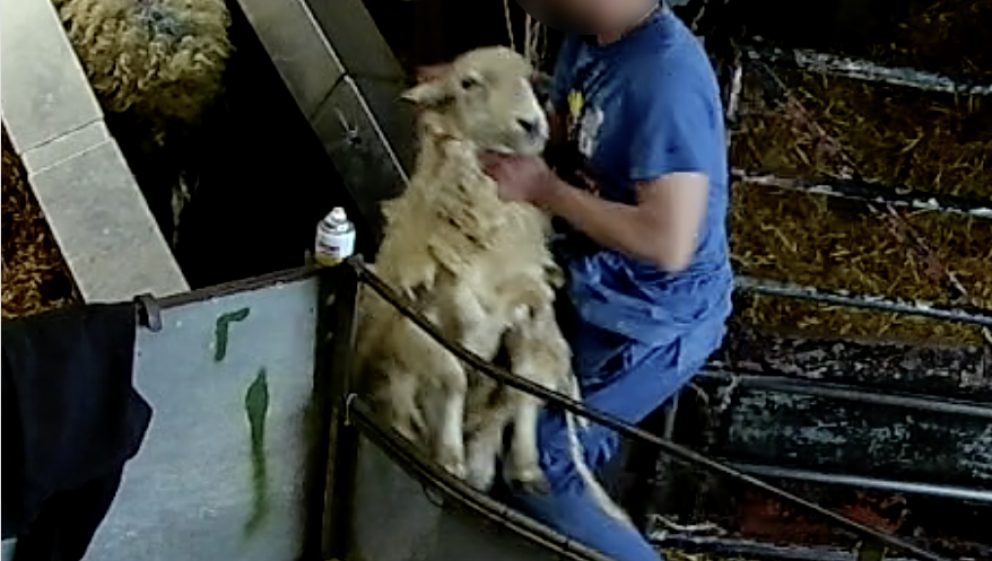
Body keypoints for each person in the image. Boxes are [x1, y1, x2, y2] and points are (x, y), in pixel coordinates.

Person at [480, 1, 732, 560]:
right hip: (599, 289)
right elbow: (561, 133)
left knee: (542, 460)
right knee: (542, 437)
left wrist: (544, 190)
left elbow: (667, 242)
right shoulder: (592, 38)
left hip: (650, 322)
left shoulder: (666, 80)